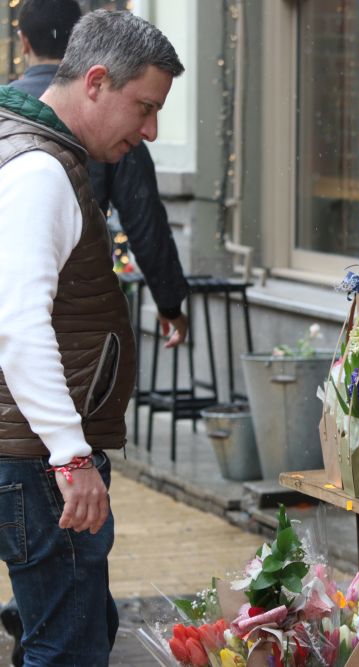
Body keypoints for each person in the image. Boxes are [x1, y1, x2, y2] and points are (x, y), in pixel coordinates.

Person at [0, 9, 183, 665]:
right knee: (68, 645)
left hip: (30, 447)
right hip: (40, 457)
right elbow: (18, 323)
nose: (151, 130)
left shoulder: (26, 148)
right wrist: (71, 455)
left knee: (73, 624)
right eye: (145, 107)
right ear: (98, 82)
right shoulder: (41, 171)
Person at [9, 0, 189, 349]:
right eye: (146, 109)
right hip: (65, 343)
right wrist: (170, 301)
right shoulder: (106, 123)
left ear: (24, 41)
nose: (150, 131)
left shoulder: (8, 117)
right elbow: (144, 218)